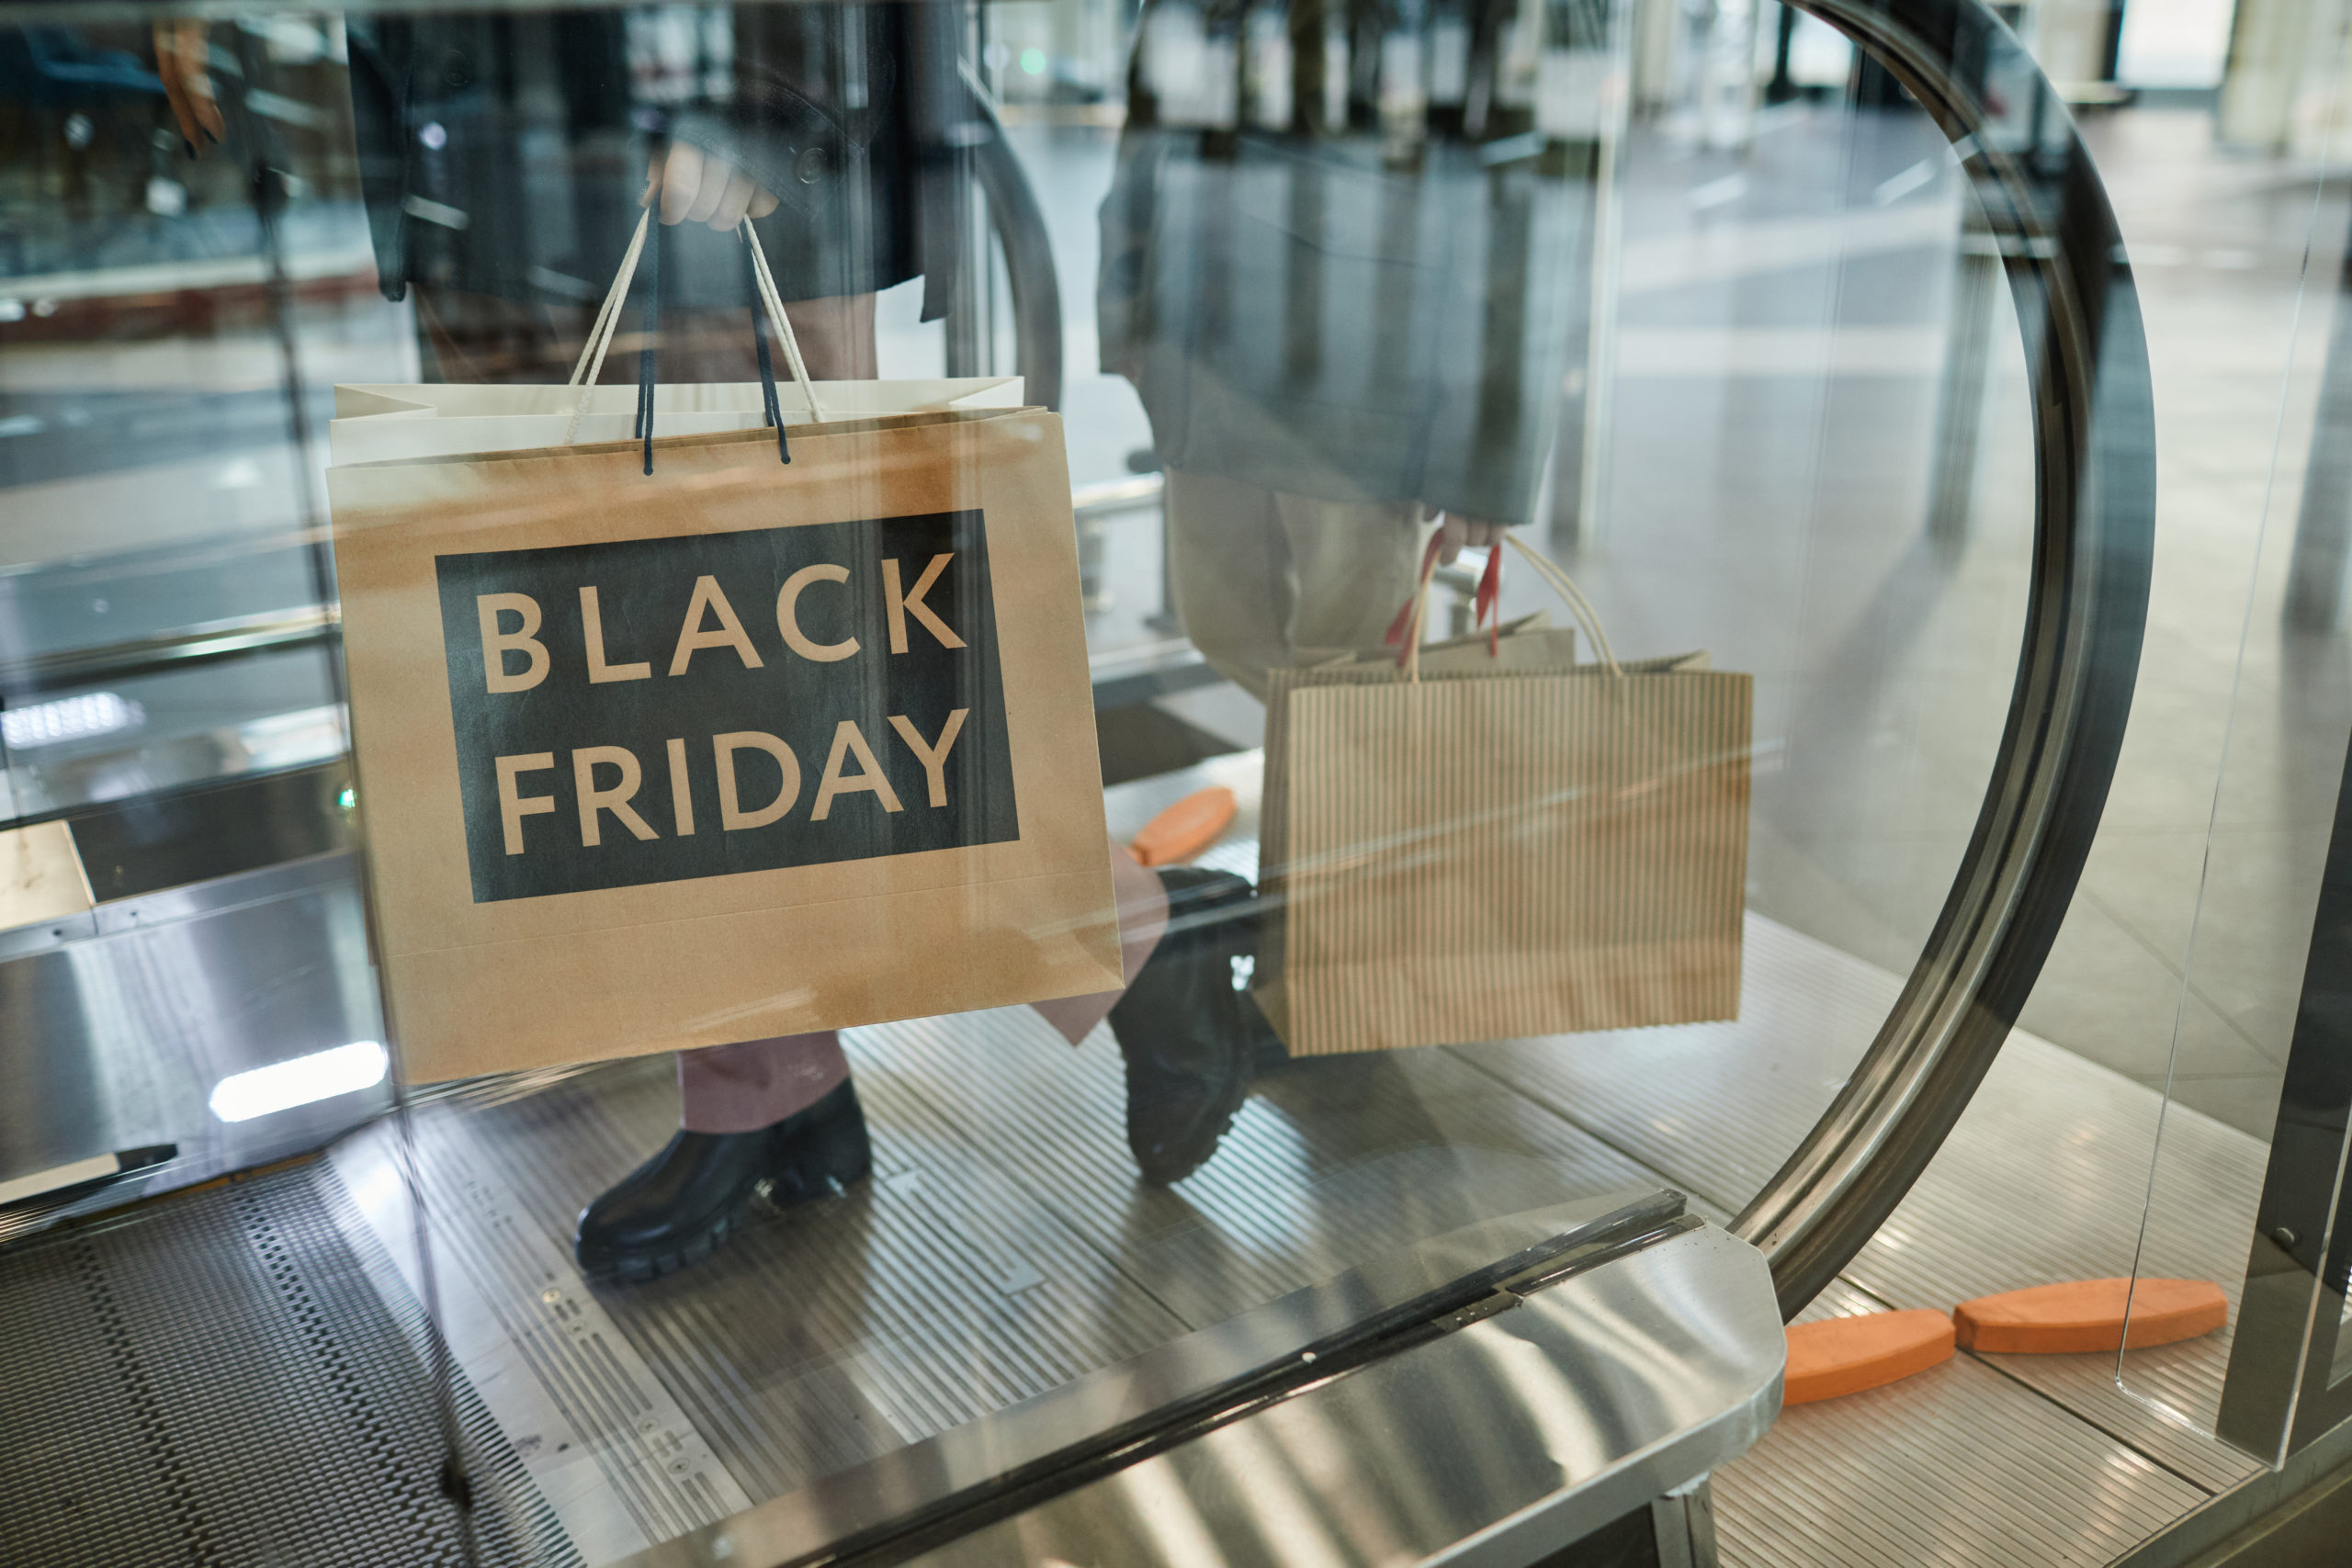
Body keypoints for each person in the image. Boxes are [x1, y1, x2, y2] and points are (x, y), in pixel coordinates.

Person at [155, 4, 1278, 1286]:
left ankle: (1132, 950)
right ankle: (787, 1085)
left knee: (810, 688)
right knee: (642, 699)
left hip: (681, 170)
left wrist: (752, 98)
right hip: (496, 170)